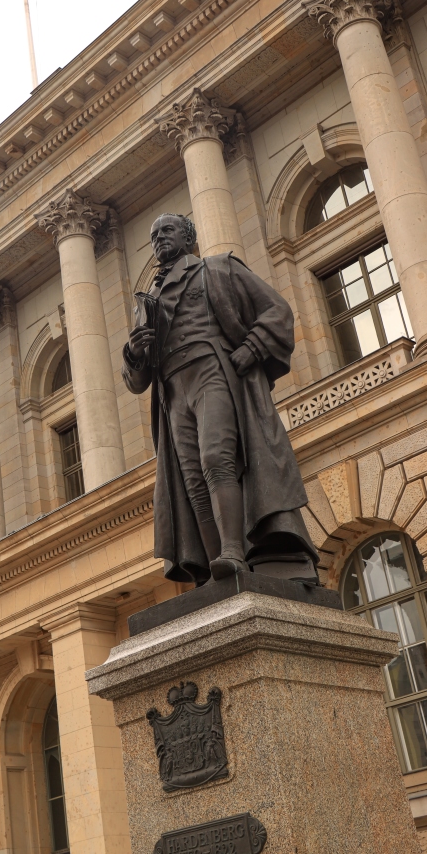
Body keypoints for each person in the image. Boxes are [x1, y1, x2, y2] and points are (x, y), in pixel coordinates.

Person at [122, 213, 318, 586]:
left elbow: (277, 310)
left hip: (212, 370)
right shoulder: (146, 303)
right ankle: (218, 568)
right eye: (153, 235)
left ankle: (233, 550)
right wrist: (133, 353)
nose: (159, 238)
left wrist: (252, 347)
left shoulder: (218, 269)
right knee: (192, 478)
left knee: (216, 457)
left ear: (188, 237)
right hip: (172, 391)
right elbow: (137, 382)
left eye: (167, 230)